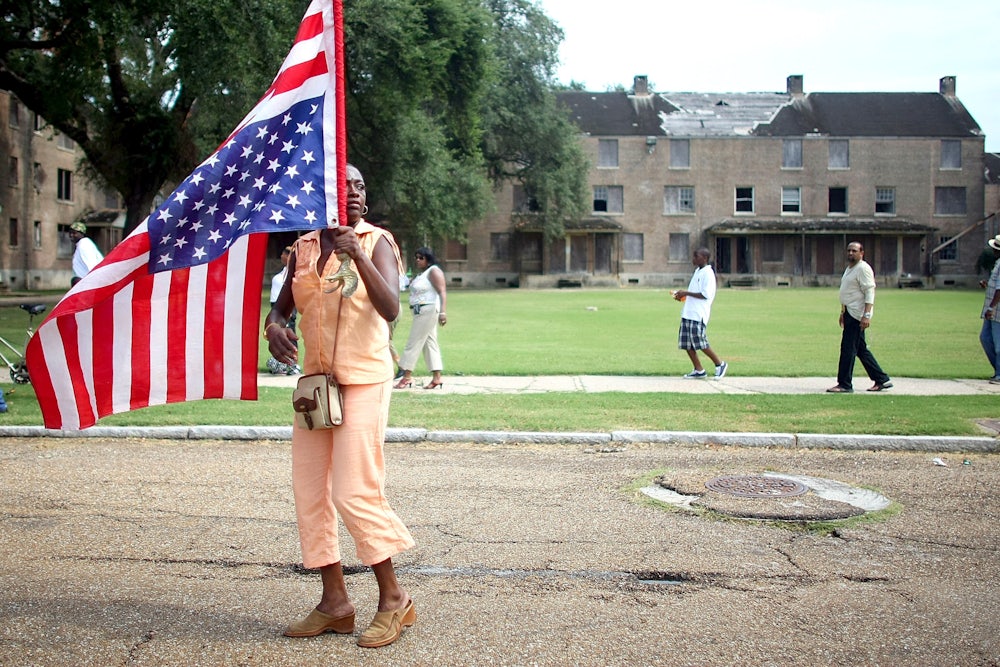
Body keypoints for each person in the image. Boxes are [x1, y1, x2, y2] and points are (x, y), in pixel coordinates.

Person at [264, 164, 416, 648]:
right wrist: (274, 327)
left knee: (353, 491)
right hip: (316, 387)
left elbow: (391, 308)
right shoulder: (304, 248)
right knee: (310, 492)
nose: (353, 191)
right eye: (343, 184)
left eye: (360, 185)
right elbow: (282, 306)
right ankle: (335, 603)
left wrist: (357, 253)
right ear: (323, 192)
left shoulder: (377, 242)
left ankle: (394, 599)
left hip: (365, 380)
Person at [828, 241, 892, 393]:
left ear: (861, 253)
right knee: (860, 349)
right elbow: (848, 293)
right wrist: (842, 312)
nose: (851, 253)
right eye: (849, 250)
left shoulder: (863, 268)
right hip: (849, 312)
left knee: (848, 349)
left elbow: (869, 292)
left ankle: (845, 384)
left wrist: (866, 315)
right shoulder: (850, 268)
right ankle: (882, 379)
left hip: (857, 315)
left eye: (854, 251)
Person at [394, 247, 447, 390]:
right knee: (430, 343)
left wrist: (443, 312)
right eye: (416, 257)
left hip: (427, 309)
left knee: (414, 342)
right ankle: (437, 377)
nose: (418, 260)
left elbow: (442, 291)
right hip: (419, 311)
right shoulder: (421, 274)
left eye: (421, 258)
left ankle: (406, 377)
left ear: (428, 259)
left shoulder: (434, 271)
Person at [673, 247, 727, 379]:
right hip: (688, 313)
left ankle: (720, 364)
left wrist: (686, 292)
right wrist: (682, 296)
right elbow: (695, 292)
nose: (693, 259)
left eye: (696, 256)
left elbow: (705, 294)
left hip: (698, 314)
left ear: (705, 258)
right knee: (686, 344)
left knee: (700, 343)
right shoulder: (698, 271)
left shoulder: (708, 274)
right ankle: (699, 370)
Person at [266, 246, 300, 375]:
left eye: (283, 254)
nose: (281, 257)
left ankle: (292, 363)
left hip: (287, 308)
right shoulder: (282, 273)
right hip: (277, 306)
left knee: (289, 334)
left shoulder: (293, 273)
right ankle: (282, 363)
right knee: (279, 335)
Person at [978, 234, 1000, 384]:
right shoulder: (998, 263)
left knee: (998, 344)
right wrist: (987, 285)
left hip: (996, 311)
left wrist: (991, 307)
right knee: (985, 338)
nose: (993, 251)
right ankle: (997, 370)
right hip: (991, 310)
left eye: (996, 248)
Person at [68, 221, 103, 286]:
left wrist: (94, 282)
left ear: (82, 233)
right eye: (70, 233)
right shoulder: (83, 244)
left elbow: (91, 264)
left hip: (87, 283)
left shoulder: (84, 245)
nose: (71, 235)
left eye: (74, 233)